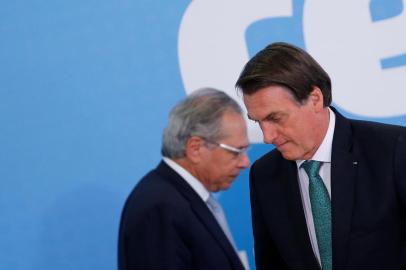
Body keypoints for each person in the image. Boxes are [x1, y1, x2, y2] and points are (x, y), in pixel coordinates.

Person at [235, 42, 406, 270]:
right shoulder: (264, 174)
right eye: (258, 122)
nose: (267, 137)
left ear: (315, 98)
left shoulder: (393, 150)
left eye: (275, 118)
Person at [118, 88, 250, 270]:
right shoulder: (160, 208)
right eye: (237, 151)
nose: (245, 162)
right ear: (195, 148)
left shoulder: (180, 198)